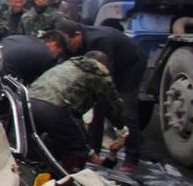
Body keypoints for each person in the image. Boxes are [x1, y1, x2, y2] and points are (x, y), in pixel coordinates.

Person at [55, 19, 145, 171]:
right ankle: (92, 150)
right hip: (106, 66)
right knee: (96, 111)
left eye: (68, 44)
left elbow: (104, 76)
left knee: (126, 111)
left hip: (129, 65)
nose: (67, 48)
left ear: (77, 36)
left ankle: (132, 158)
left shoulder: (100, 41)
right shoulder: (70, 42)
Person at [28, 51, 126, 172]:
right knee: (78, 153)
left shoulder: (67, 65)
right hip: (56, 109)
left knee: (34, 147)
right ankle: (68, 180)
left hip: (27, 103)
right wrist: (122, 131)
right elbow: (113, 105)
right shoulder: (99, 73)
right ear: (105, 65)